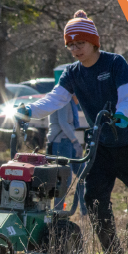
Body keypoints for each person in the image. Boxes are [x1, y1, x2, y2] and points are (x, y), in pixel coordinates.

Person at [18, 10, 128, 254]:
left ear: (94, 42)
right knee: (94, 198)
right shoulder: (72, 73)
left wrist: (121, 115)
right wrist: (30, 110)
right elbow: (55, 99)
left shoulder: (114, 63)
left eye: (81, 43)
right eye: (71, 45)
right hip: (101, 146)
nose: (76, 49)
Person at [46, 72, 82, 212]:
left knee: (84, 174)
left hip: (69, 141)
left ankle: (85, 211)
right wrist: (75, 141)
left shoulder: (69, 100)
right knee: (63, 180)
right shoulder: (63, 99)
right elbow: (63, 123)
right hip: (61, 142)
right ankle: (57, 212)